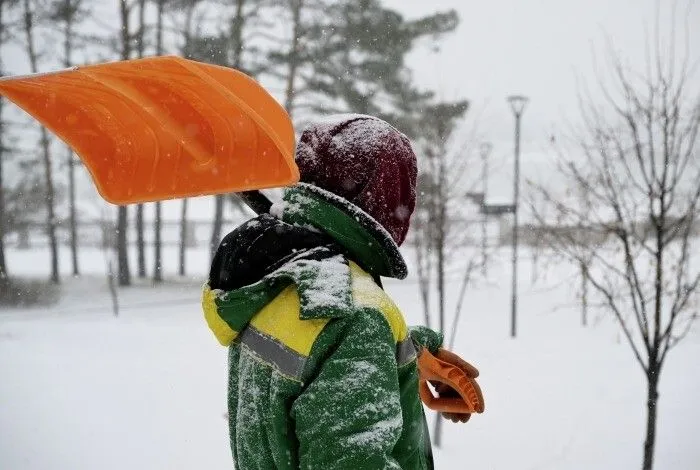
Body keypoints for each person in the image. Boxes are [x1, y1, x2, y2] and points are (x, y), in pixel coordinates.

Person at [203, 114, 476, 469]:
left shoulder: (277, 274)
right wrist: (369, 346)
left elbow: (312, 360)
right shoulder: (354, 318)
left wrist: (403, 356)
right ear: (385, 197)